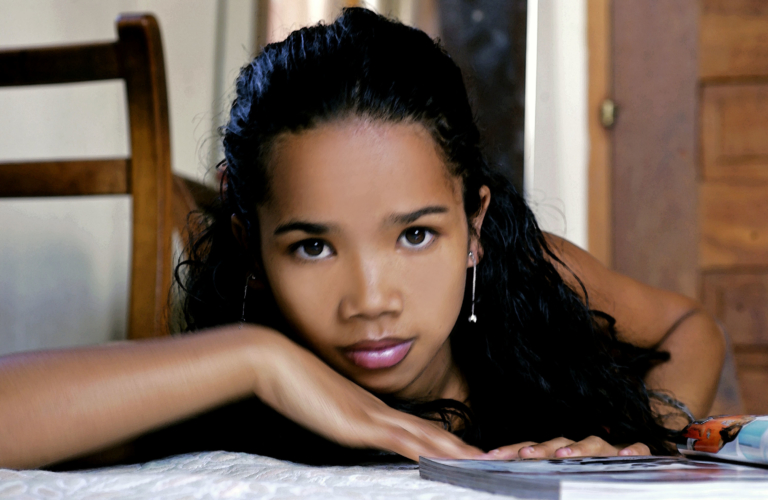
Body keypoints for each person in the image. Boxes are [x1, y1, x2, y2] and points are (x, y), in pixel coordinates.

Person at [0, 8, 724, 470]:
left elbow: (689, 327)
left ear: (473, 226)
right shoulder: (229, 391)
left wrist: (642, 445)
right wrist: (257, 360)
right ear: (253, 250)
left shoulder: (531, 274)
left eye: (415, 234)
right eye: (312, 247)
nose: (371, 300)